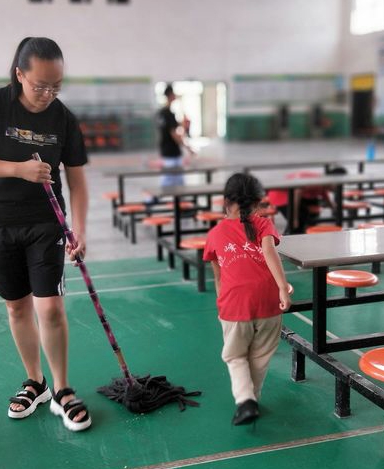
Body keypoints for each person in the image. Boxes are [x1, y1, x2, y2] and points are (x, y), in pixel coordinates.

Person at [0, 37, 91, 432]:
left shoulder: (63, 118)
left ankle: (63, 389)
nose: (48, 94)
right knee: (16, 306)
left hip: (45, 223)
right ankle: (36, 381)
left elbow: (78, 182)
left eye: (56, 86)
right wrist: (19, 169)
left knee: (49, 307)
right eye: (40, 86)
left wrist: (79, 229)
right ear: (20, 74)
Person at [203, 173, 292, 426]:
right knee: (260, 355)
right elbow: (269, 253)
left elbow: (219, 277)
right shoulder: (264, 224)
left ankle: (246, 400)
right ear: (257, 202)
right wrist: (282, 288)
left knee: (235, 355)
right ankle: (252, 398)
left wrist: (223, 305)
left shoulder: (215, 234)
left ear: (225, 200)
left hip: (235, 304)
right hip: (268, 302)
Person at [157, 84, 195, 187]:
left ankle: (179, 201)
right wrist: (188, 148)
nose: (175, 96)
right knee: (172, 181)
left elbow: (170, 128)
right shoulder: (168, 114)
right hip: (172, 153)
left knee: (174, 180)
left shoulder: (161, 113)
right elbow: (175, 135)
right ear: (170, 95)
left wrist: (181, 124)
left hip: (166, 150)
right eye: (174, 94)